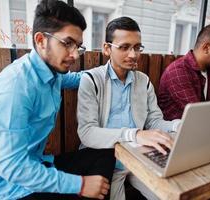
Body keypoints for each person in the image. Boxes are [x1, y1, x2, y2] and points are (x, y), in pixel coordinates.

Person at [0, 0, 115, 199]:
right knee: (85, 188)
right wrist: (80, 185)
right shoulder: (15, 87)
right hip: (4, 187)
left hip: (36, 163)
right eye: (67, 43)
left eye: (78, 46)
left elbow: (75, 79)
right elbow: (12, 167)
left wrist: (108, 72)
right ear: (40, 40)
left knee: (106, 153)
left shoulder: (52, 73)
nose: (75, 55)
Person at [77, 16, 181, 200]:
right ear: (107, 48)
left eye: (137, 47)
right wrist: (135, 134)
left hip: (139, 157)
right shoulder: (92, 80)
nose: (133, 55)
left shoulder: (143, 81)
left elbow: (153, 121)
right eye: (124, 47)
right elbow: (87, 132)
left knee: (170, 195)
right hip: (104, 158)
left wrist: (176, 125)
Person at [158, 24, 210, 120]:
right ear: (206, 48)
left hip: (199, 127)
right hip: (175, 132)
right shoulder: (178, 71)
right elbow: (197, 114)